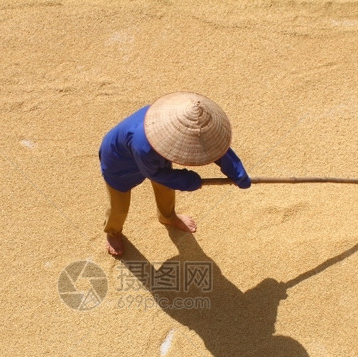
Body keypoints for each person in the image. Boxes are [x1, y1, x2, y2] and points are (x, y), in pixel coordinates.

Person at [99, 92, 251, 256]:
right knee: (118, 207)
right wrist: (188, 180)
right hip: (119, 162)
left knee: (166, 191)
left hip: (157, 154)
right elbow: (155, 174)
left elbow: (213, 145)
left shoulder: (192, 122)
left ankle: (168, 216)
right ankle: (113, 232)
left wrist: (236, 171)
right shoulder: (144, 145)